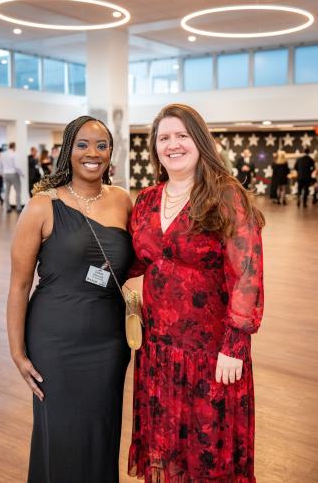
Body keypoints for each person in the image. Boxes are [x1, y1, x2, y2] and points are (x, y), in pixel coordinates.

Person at [128, 104, 264, 483]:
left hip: (211, 352)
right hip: (159, 350)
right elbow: (136, 260)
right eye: (164, 137)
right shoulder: (147, 200)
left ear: (199, 141)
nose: (173, 144)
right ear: (155, 148)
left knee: (208, 450)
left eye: (182, 135)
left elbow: (247, 273)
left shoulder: (226, 196)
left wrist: (235, 343)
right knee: (167, 447)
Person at [6, 115, 134, 483]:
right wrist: (17, 352)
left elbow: (141, 266)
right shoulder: (42, 206)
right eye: (82, 144)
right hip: (55, 343)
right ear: (67, 151)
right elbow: (18, 286)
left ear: (111, 153)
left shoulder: (123, 201)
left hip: (109, 344)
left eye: (101, 145)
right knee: (60, 436)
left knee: (101, 432)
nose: (92, 153)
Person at [0, 142, 23, 213]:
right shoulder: (14, 154)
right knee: (18, 191)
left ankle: (8, 208)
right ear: (14, 147)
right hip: (14, 174)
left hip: (5, 174)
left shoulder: (2, 154)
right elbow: (16, 166)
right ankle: (18, 208)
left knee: (6, 191)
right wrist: (21, 174)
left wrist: (2, 174)